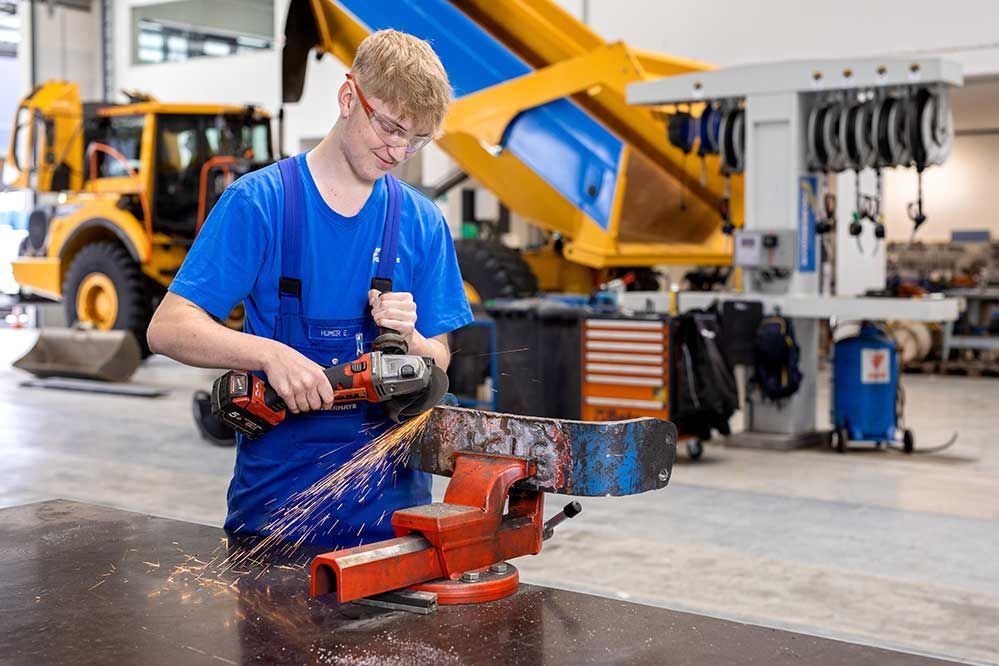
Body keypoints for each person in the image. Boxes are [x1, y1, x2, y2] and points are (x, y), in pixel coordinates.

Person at [147, 29, 473, 548]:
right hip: (276, 520)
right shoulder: (259, 204)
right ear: (349, 97)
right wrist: (268, 354)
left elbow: (441, 358)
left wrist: (410, 338)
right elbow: (167, 328)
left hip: (395, 528)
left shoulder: (422, 222)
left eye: (415, 139)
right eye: (389, 127)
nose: (398, 150)